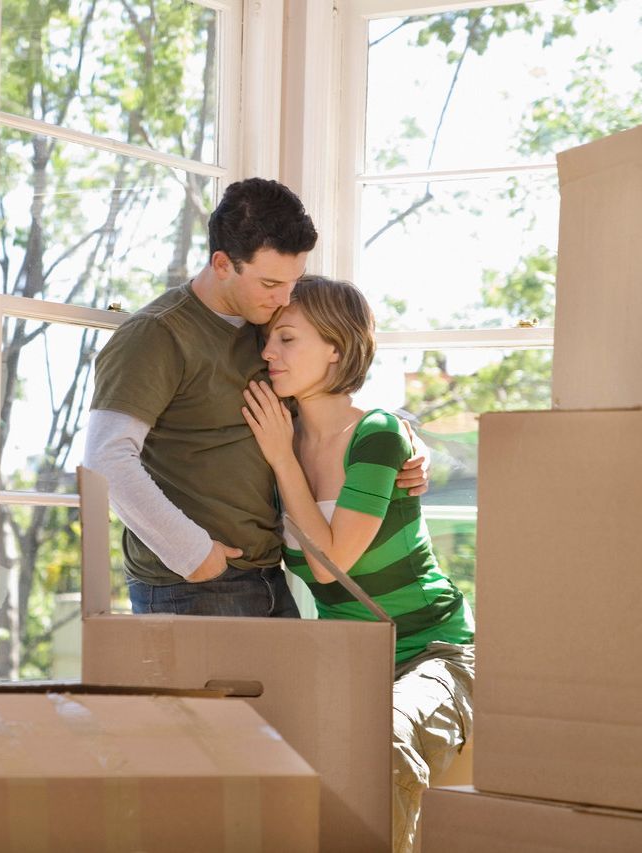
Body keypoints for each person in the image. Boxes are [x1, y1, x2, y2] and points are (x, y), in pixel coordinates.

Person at [84, 177, 430, 617]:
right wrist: (193, 554)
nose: (284, 297)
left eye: (292, 281)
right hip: (192, 585)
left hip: (270, 577)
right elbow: (106, 457)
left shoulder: (263, 326)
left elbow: (328, 391)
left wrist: (401, 437)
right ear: (222, 264)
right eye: (270, 283)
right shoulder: (157, 334)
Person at [241, 275, 474, 853]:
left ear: (336, 347)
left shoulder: (377, 433)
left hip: (437, 651)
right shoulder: (280, 432)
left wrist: (282, 461)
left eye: (287, 338)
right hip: (354, 659)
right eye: (268, 339)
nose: (269, 352)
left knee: (383, 742)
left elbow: (330, 566)